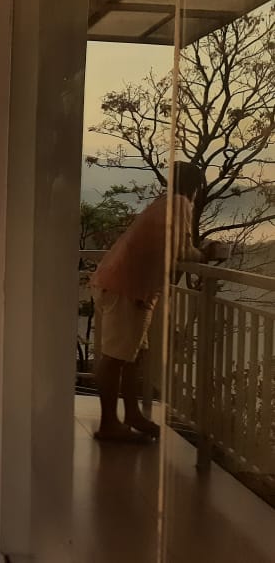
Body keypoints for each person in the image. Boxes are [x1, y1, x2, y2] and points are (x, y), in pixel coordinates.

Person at [91, 161, 212, 442]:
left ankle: (132, 415)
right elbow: (180, 250)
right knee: (114, 358)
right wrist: (206, 255)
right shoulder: (180, 204)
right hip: (127, 289)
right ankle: (109, 424)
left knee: (131, 356)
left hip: (124, 286)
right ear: (194, 187)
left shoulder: (163, 203)